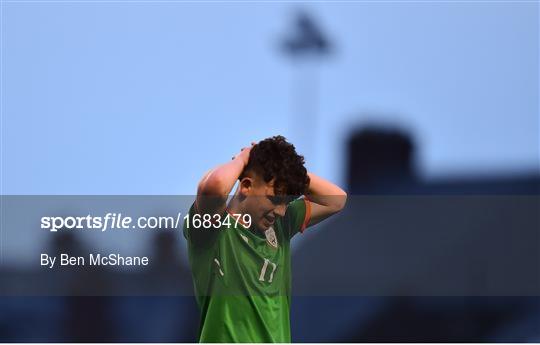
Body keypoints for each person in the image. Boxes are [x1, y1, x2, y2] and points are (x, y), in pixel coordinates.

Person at [183, 135, 347, 342]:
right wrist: (243, 159)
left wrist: (290, 172)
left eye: (287, 202)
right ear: (246, 186)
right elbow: (214, 186)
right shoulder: (212, 229)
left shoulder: (281, 226)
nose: (280, 211)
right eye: (275, 199)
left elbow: (337, 200)